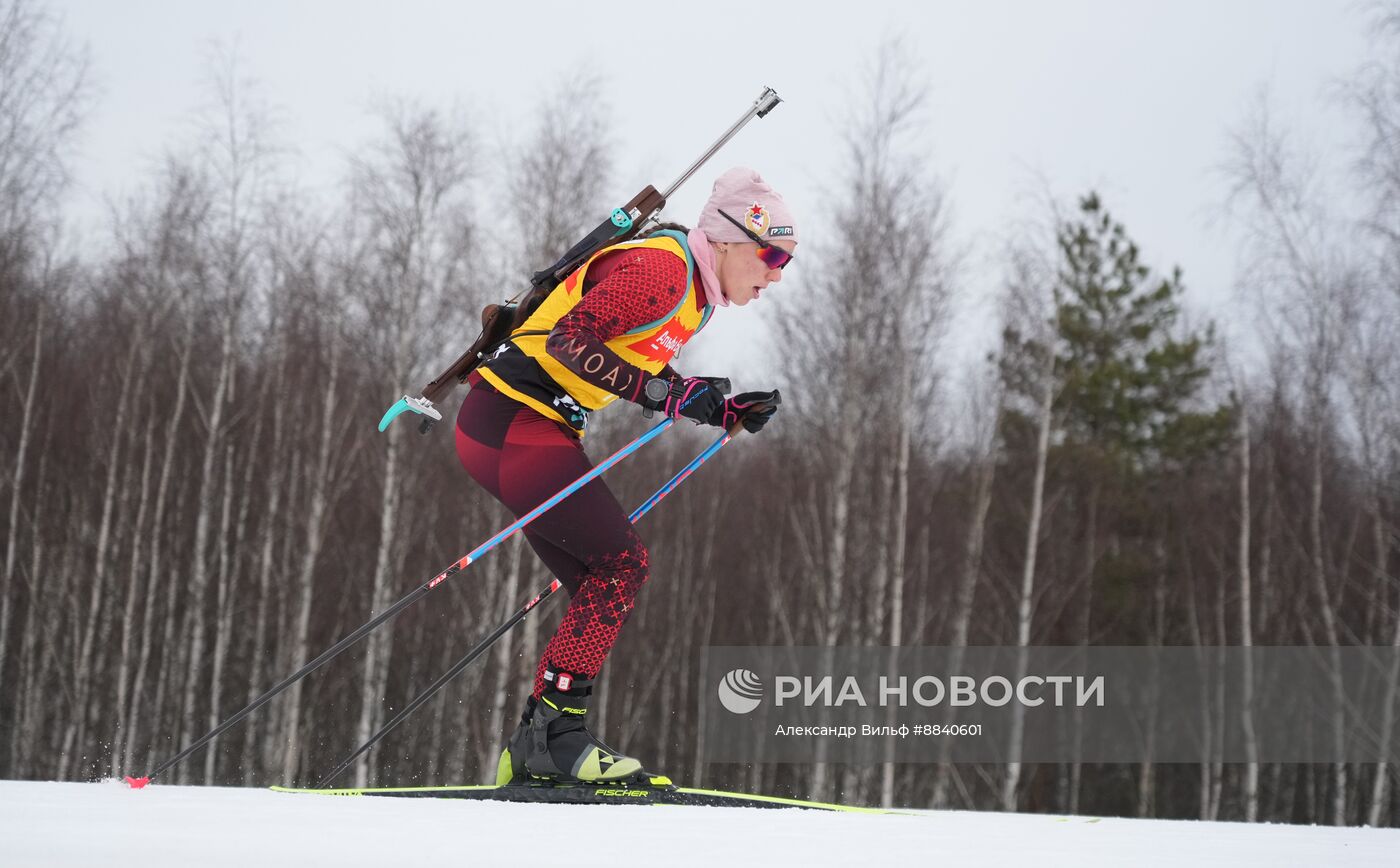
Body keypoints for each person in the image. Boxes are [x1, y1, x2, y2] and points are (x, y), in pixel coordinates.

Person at [454, 166, 798, 785]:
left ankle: (537, 741)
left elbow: (632, 367)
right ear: (727, 239)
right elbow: (569, 342)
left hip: (521, 426)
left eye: (787, 262)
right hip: (514, 418)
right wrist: (672, 394)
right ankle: (556, 739)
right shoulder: (665, 271)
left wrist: (719, 407)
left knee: (601, 579)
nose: (776, 273)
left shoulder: (696, 295)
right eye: (771, 255)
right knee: (621, 565)